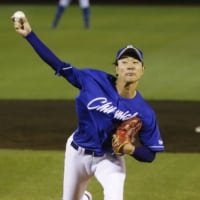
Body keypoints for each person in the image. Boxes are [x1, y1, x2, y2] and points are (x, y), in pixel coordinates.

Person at [12, 13, 165, 200]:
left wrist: (130, 149)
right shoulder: (92, 79)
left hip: (110, 159)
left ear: (143, 70)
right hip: (77, 152)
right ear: (116, 68)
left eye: (135, 62)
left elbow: (150, 154)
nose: (130, 66)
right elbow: (58, 65)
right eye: (124, 62)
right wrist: (30, 35)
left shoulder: (145, 112)